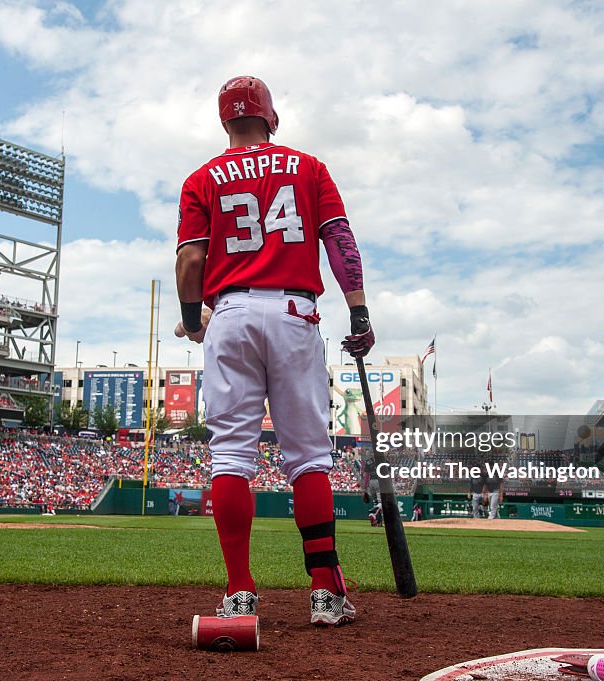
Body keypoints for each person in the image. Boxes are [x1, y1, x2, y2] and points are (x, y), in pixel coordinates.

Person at [175, 76, 373, 627]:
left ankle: (240, 592)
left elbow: (191, 263)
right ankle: (325, 595)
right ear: (272, 117)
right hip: (294, 311)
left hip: (231, 313)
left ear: (225, 122)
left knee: (232, 456)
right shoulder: (309, 166)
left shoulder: (201, 178)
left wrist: (194, 320)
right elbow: (339, 240)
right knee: (308, 456)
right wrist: (358, 310)